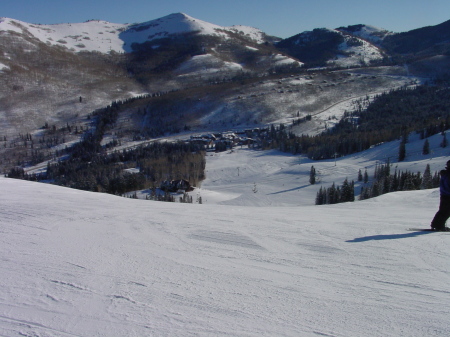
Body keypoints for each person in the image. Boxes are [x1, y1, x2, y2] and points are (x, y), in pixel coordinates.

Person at [430, 160, 450, 231]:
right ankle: (439, 225)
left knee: (443, 210)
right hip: (447, 195)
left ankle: (435, 224)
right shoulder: (448, 174)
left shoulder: (445, 174)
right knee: (446, 211)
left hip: (444, 195)